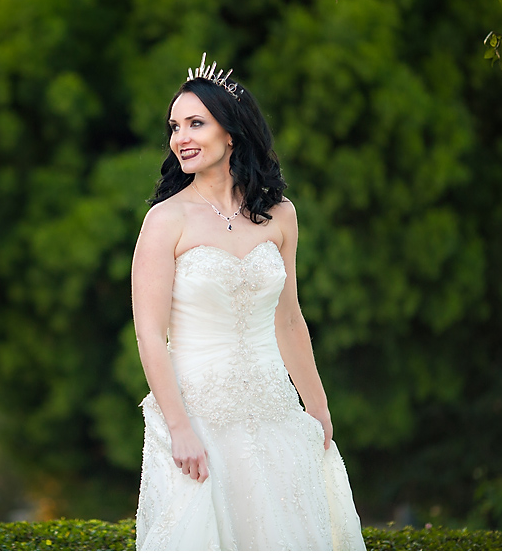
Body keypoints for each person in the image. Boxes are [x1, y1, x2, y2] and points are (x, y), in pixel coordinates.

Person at [132, 53, 366, 550]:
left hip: (274, 412)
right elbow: (149, 334)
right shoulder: (164, 221)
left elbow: (289, 319)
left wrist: (318, 407)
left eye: (196, 123)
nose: (181, 138)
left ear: (231, 133)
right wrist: (179, 428)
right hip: (198, 417)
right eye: (175, 126)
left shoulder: (280, 215)